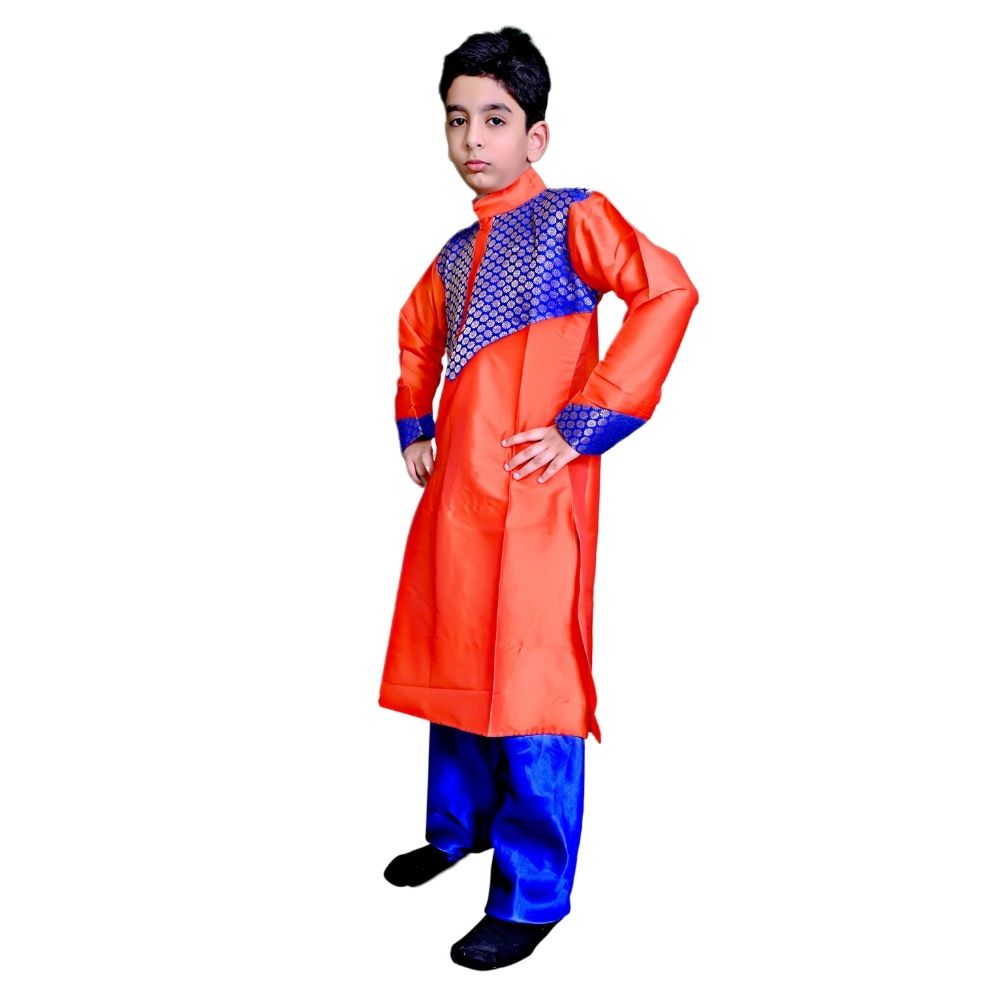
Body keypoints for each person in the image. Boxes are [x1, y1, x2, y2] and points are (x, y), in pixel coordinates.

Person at [378, 26, 699, 970]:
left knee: (531, 673)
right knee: (454, 650)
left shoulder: (573, 218)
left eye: (495, 118)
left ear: (537, 134)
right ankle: (458, 827)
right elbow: (415, 336)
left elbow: (667, 292)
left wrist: (584, 423)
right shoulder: (453, 253)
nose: (473, 138)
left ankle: (532, 890)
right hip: (458, 496)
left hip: (537, 492)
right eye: (457, 119)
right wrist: (415, 424)